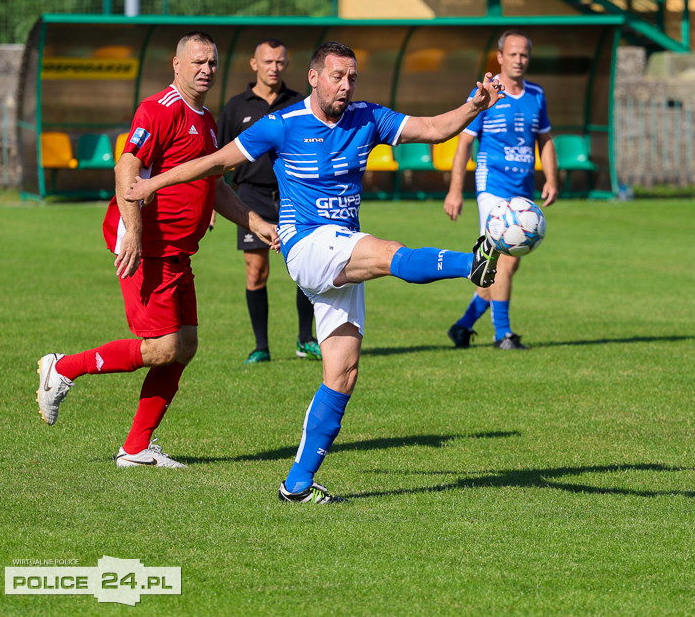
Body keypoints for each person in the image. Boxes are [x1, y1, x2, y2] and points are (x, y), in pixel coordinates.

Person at [125, 40, 505, 502]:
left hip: (342, 251)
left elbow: (434, 128)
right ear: (313, 77)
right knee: (387, 252)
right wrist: (151, 184)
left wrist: (474, 105)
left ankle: (297, 484)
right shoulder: (283, 126)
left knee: (342, 373)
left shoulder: (367, 117)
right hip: (307, 245)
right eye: (336, 76)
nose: (345, 86)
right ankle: (473, 262)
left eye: (352, 77)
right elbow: (211, 163)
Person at [35, 31, 278, 468]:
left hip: (178, 250)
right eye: (198, 61)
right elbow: (127, 165)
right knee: (164, 346)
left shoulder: (204, 119)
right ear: (177, 64)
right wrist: (132, 230)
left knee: (184, 345)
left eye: (212, 63)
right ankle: (62, 368)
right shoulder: (159, 109)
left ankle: (136, 448)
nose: (206, 69)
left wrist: (255, 221)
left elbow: (214, 186)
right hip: (147, 247)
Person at [442, 29, 558, 350]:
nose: (519, 60)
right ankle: (503, 335)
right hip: (491, 187)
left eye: (524, 55)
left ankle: (463, 325)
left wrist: (551, 178)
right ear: (500, 57)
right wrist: (455, 191)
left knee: (503, 263)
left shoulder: (536, 94)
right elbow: (464, 144)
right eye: (513, 54)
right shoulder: (486, 93)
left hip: (522, 191)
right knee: (503, 259)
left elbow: (544, 141)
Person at [218, 38, 319, 364]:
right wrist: (211, 204)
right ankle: (261, 346)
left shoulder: (299, 102)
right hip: (251, 196)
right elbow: (218, 159)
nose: (274, 68)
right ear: (254, 64)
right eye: (267, 62)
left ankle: (306, 339)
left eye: (280, 62)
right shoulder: (236, 106)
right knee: (256, 271)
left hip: (295, 195)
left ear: (287, 65)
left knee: (306, 269)